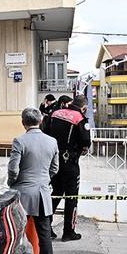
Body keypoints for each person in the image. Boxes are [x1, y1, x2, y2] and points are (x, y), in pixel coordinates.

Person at [8, 108, 59, 254]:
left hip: (23, 193)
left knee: (19, 233)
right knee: (44, 234)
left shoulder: (20, 141)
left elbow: (13, 169)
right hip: (42, 193)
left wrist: (12, 183)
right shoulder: (52, 141)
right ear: (41, 120)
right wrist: (44, 180)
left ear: (23, 122)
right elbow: (54, 168)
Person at [44, 94, 91, 241]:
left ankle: (46, 227)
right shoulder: (80, 119)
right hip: (69, 160)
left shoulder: (55, 113)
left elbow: (45, 132)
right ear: (84, 106)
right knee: (71, 197)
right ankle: (68, 231)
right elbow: (86, 142)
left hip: (53, 159)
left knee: (56, 192)